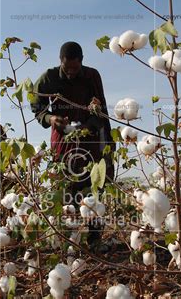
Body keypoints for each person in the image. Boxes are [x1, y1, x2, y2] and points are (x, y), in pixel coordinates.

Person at [31, 42, 115, 250]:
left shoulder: (92, 76)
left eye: (74, 69)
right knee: (66, 186)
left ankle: (94, 240)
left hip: (90, 139)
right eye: (66, 68)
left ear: (81, 62)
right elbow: (37, 107)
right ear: (61, 62)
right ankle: (69, 241)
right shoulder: (48, 78)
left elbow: (101, 109)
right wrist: (51, 118)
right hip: (63, 140)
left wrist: (92, 127)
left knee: (94, 186)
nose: (70, 73)